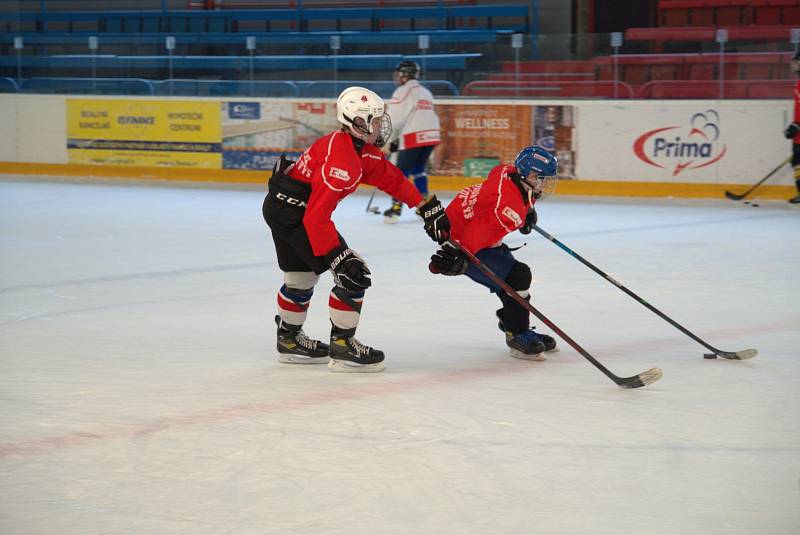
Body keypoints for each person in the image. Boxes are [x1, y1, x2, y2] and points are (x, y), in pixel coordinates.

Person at [262, 86, 450, 373]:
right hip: (295, 214)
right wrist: (339, 256)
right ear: (357, 123)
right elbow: (315, 218)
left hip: (282, 205)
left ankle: (289, 341)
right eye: (374, 120)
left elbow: (391, 178)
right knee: (353, 275)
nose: (380, 125)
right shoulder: (343, 160)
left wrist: (426, 207)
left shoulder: (359, 149)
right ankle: (342, 346)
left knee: (301, 276)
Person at [428, 145, 559, 361]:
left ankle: (514, 321)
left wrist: (528, 210)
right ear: (530, 175)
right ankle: (517, 335)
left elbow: (500, 204)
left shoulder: (507, 172)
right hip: (465, 240)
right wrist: (458, 254)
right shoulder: (509, 210)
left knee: (509, 281)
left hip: (465, 225)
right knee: (518, 276)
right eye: (542, 179)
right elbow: (480, 229)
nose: (545, 185)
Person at [382, 60, 442, 223]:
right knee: (418, 169)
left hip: (414, 136)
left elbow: (395, 118)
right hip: (431, 136)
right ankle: (425, 206)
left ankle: (395, 208)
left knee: (399, 174)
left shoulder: (402, 91)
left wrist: (389, 139)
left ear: (403, 75)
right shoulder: (425, 91)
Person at [783, 50, 800, 204]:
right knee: (797, 162)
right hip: (798, 135)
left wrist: (797, 124)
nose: (793, 64)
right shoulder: (799, 83)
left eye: (795, 61)